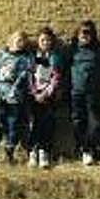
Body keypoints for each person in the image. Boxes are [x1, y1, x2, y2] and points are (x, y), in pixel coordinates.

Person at [66, 20, 100, 165]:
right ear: (77, 34)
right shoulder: (72, 50)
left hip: (94, 92)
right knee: (79, 122)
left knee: (97, 122)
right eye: (82, 32)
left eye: (88, 32)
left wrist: (99, 81)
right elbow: (63, 69)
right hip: (76, 92)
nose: (85, 35)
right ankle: (85, 151)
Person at [0, 30, 33, 164]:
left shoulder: (27, 58)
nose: (21, 44)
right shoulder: (1, 55)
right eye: (18, 41)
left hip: (17, 99)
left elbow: (29, 76)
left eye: (23, 41)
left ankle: (9, 151)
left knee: (14, 125)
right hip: (1, 97)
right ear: (10, 42)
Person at [27, 27, 64, 169]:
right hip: (34, 96)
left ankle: (44, 152)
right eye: (42, 40)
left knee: (47, 124)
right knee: (33, 124)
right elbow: (29, 76)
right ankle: (32, 152)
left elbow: (56, 77)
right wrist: (34, 93)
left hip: (48, 96)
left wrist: (46, 93)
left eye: (48, 40)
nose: (45, 42)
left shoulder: (54, 57)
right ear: (38, 41)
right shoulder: (33, 57)